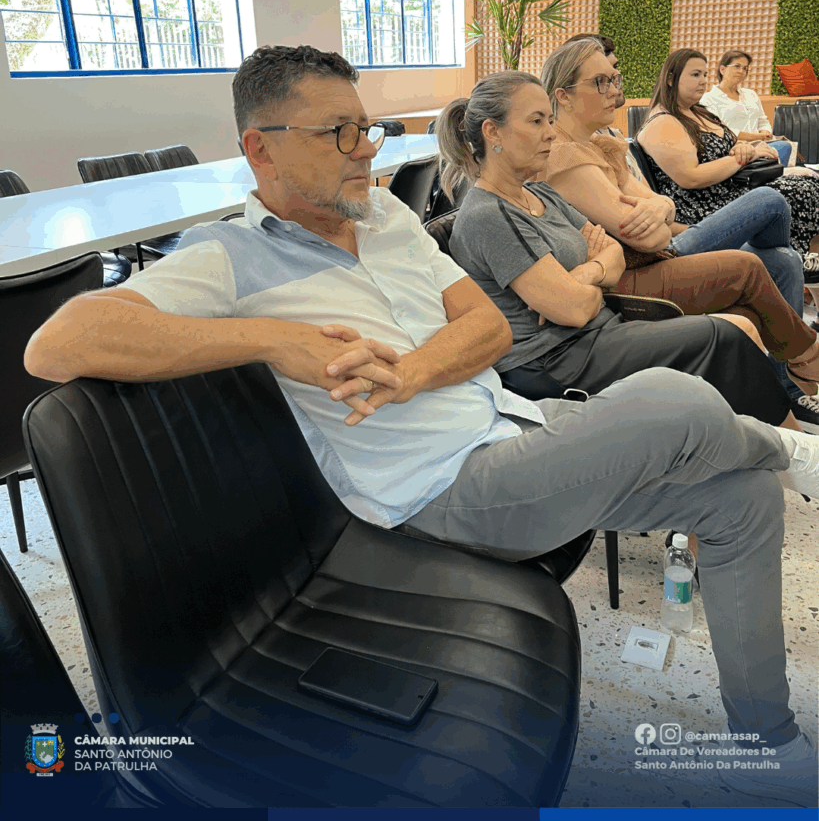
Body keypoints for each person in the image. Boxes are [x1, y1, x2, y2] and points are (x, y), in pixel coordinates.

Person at [23, 44, 818, 807]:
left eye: (364, 127)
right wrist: (270, 338)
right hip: (434, 494)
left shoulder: (387, 221)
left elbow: (488, 329)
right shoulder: (228, 255)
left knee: (739, 499)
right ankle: (788, 449)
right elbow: (54, 345)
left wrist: (410, 372)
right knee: (671, 396)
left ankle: (765, 741)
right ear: (260, 148)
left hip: (511, 429)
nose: (363, 148)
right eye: (336, 133)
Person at [436, 69, 819, 424]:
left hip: (599, 330)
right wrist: (594, 274)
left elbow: (614, 253)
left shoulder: (538, 193)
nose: (551, 133)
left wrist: (588, 271)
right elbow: (574, 309)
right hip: (556, 360)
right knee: (725, 336)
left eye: (550, 121)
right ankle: (794, 449)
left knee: (744, 314)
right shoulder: (489, 214)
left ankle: (758, 437)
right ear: (493, 132)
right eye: (537, 121)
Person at [536, 38, 819, 429]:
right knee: (758, 238)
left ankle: (784, 396)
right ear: (563, 96)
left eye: (615, 78)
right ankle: (807, 358)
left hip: (653, 255)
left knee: (780, 262)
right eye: (601, 81)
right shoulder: (567, 155)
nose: (614, 90)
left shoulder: (601, 145)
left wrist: (660, 209)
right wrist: (659, 212)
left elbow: (658, 207)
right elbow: (648, 236)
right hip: (623, 280)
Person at [638, 48, 819, 269]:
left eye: (705, 74)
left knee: (809, 182)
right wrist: (743, 158)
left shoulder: (698, 111)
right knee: (797, 191)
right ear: (670, 79)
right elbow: (691, 177)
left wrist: (743, 148)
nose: (703, 81)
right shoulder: (663, 122)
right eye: (695, 74)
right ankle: (792, 260)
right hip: (703, 205)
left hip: (730, 189)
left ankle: (792, 260)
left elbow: (730, 143)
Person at [700, 48, 793, 166]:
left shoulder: (751, 94)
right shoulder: (708, 99)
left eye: (745, 68)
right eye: (737, 66)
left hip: (760, 144)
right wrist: (757, 137)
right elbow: (721, 131)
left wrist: (765, 133)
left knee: (785, 147)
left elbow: (762, 121)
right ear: (722, 69)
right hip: (734, 149)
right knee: (781, 147)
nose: (741, 71)